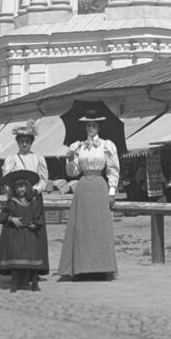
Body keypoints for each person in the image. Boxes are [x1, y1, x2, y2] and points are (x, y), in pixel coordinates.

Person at [57, 111, 119, 280]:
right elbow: (73, 172)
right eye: (88, 125)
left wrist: (112, 191)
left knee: (100, 227)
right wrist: (70, 160)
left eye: (94, 125)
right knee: (82, 227)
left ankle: (102, 268)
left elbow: (113, 169)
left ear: (99, 127)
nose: (91, 128)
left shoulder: (107, 145)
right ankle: (81, 268)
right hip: (83, 186)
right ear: (85, 127)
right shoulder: (77, 146)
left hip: (99, 185)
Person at [0, 170, 49, 292]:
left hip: (30, 234)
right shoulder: (12, 202)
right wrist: (12, 219)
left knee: (33, 258)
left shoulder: (34, 202)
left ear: (27, 187)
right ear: (14, 189)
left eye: (22, 187)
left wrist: (36, 224)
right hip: (16, 235)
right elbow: (2, 216)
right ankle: (14, 283)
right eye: (17, 187)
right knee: (16, 257)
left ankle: (34, 283)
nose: (20, 190)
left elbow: (38, 216)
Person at [2, 127, 49, 191]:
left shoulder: (39, 159)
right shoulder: (11, 159)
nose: (24, 144)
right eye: (22, 141)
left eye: (27, 141)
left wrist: (36, 191)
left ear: (31, 142)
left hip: (35, 195)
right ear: (18, 142)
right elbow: (7, 181)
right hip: (18, 195)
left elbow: (43, 180)